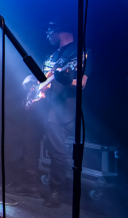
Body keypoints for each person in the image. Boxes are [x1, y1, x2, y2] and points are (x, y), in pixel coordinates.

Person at [12, 21, 89, 208]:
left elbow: (82, 83)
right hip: (41, 106)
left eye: (49, 30)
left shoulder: (80, 53)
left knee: (56, 151)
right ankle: (30, 184)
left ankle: (56, 191)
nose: (47, 33)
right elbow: (42, 79)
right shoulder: (51, 56)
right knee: (29, 143)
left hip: (61, 109)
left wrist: (65, 80)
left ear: (59, 30)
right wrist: (31, 82)